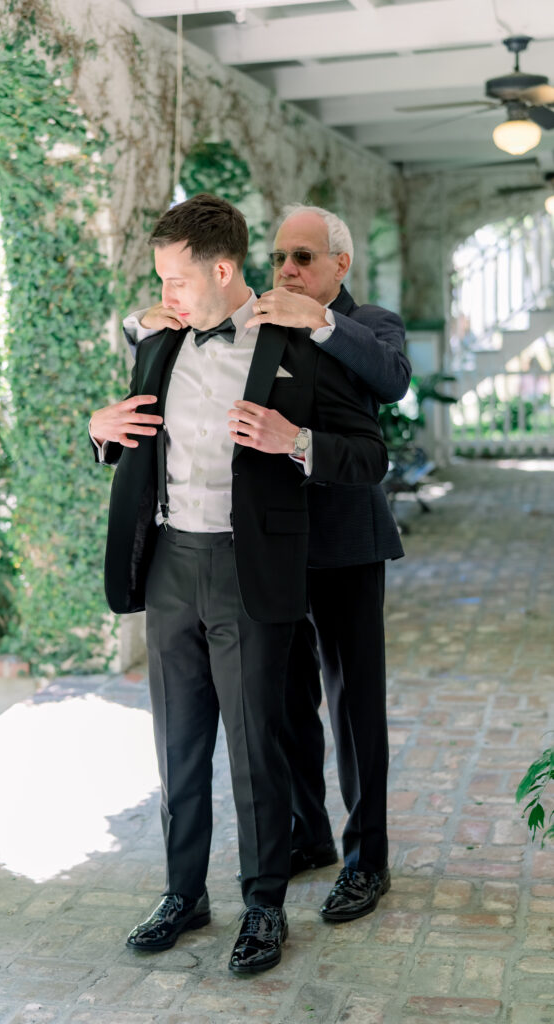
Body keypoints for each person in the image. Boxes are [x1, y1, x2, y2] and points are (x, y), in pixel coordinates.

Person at [88, 194, 389, 973]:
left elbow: (368, 453)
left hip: (249, 567)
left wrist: (296, 443)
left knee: (257, 748)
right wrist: (99, 431)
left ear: (222, 271)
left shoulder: (292, 343)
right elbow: (134, 436)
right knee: (177, 745)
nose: (164, 296)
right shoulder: (156, 342)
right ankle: (183, 894)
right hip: (169, 567)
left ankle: (263, 907)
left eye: (175, 281)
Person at [246, 203, 411, 921]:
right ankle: (306, 835)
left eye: (303, 257)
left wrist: (319, 323)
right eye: (280, 256)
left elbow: (390, 379)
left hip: (346, 542)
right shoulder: (260, 324)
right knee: (284, 703)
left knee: (352, 709)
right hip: (270, 545)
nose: (286, 269)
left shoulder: (369, 322)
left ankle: (365, 858)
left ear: (339, 265)